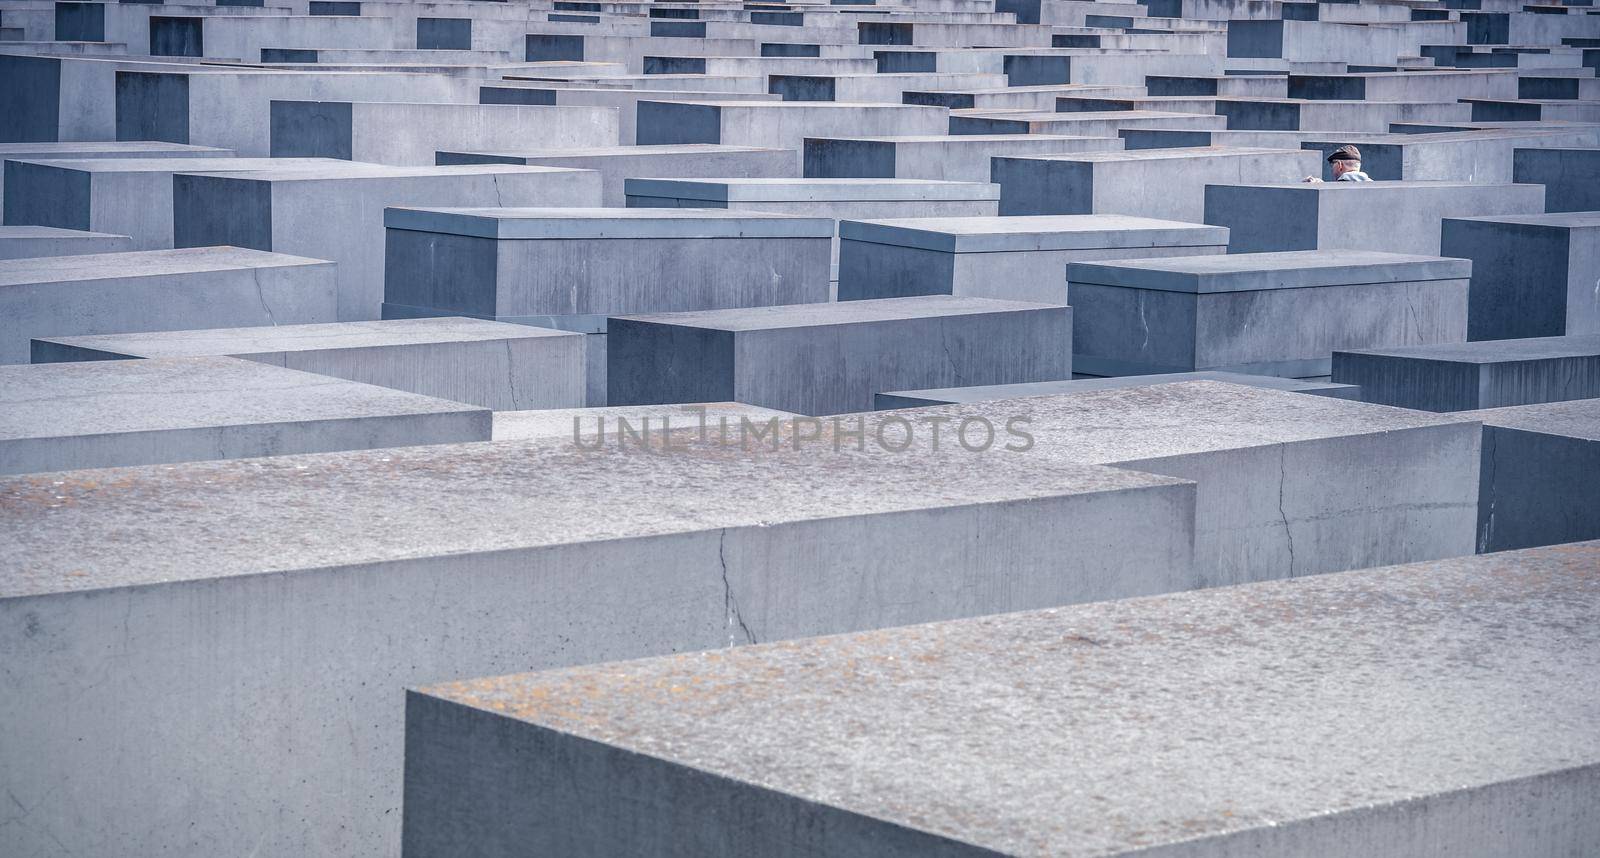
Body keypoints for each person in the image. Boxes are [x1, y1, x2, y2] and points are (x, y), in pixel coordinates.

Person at [1303, 145, 1372, 183]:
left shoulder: (1343, 185)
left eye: (1332, 164)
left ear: (1339, 165)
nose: (1332, 168)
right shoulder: (1371, 184)